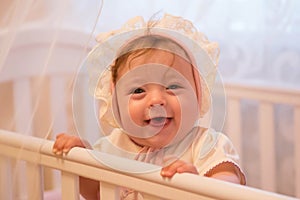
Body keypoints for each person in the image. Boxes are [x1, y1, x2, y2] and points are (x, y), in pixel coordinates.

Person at [53, 13, 246, 199]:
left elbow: (227, 183)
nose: (156, 100)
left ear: (198, 94)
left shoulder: (206, 144)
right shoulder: (109, 147)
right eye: (138, 91)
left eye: (172, 86)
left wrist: (199, 187)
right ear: (115, 102)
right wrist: (80, 159)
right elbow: (95, 194)